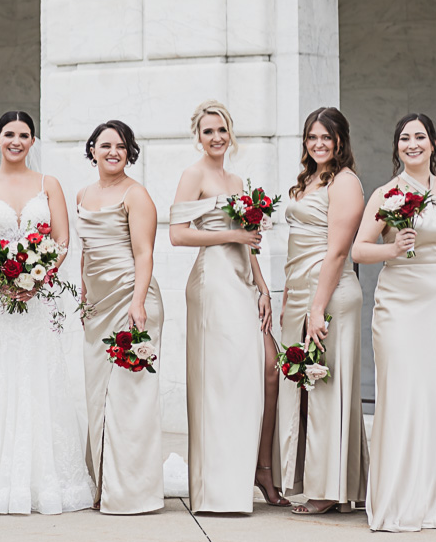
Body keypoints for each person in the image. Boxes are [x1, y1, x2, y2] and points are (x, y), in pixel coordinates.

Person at [0, 110, 94, 516]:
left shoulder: (50, 185)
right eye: (8, 133)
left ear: (33, 141)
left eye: (23, 134)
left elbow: (62, 239)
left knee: (40, 376)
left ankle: (47, 481)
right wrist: (2, 281)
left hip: (38, 300)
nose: (16, 140)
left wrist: (38, 276)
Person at [354, 113, 436, 532]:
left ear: (433, 144)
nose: (412, 144)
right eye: (404, 138)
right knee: (404, 396)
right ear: (397, 147)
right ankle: (401, 499)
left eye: (420, 137)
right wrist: (392, 250)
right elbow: (359, 249)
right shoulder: (386, 193)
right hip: (399, 306)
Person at [170, 100, 286, 513]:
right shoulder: (193, 175)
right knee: (220, 379)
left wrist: (264, 286)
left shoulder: (237, 180)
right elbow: (177, 235)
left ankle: (257, 467)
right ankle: (218, 489)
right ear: (198, 137)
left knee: (265, 367)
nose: (216, 137)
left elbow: (249, 238)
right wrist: (231, 239)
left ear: (230, 133)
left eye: (221, 130)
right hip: (212, 282)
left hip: (242, 280)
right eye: (208, 131)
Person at [279, 107, 368, 515]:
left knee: (326, 388)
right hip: (300, 292)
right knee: (303, 388)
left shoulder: (346, 182)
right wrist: (288, 300)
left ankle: (328, 489)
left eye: (326, 138)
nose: (318, 144)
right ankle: (312, 478)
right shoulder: (310, 179)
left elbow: (336, 252)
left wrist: (317, 308)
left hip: (329, 294)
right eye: (312, 137)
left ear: (340, 141)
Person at [77, 119, 164, 515]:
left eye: (121, 145)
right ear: (92, 149)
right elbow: (86, 252)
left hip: (132, 301)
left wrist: (138, 302)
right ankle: (101, 483)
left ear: (130, 152)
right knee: (97, 400)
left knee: (129, 400)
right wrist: (82, 293)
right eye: (105, 144)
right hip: (96, 308)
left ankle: (130, 491)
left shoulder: (137, 195)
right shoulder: (82, 194)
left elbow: (144, 253)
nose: (114, 151)